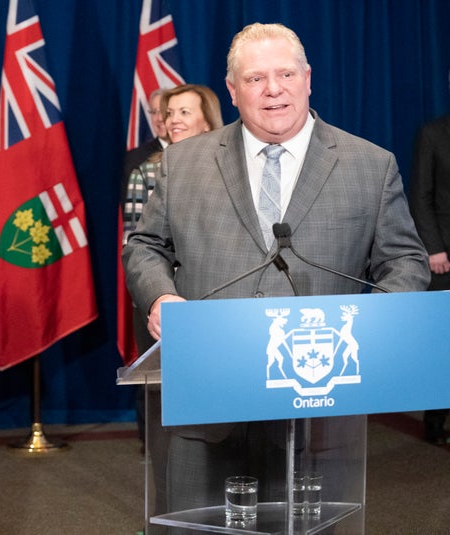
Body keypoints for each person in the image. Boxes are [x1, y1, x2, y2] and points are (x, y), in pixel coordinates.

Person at [123, 22, 429, 529]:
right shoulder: (183, 163)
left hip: (321, 414)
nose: (273, 89)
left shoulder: (369, 164)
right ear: (233, 89)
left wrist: (373, 325)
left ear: (308, 78)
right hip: (209, 404)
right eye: (256, 77)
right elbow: (145, 247)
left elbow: (406, 263)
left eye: (285, 74)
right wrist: (160, 300)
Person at [123, 84, 223, 528]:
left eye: (185, 111)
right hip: (170, 311)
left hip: (223, 314)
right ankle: (172, 517)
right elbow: (139, 246)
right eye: (169, 112)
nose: (173, 119)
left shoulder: (233, 166)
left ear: (209, 119)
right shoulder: (150, 171)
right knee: (173, 431)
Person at [409, 72, 450, 445]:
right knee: (444, 345)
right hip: (445, 259)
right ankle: (435, 421)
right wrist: (433, 248)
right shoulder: (433, 133)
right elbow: (420, 195)